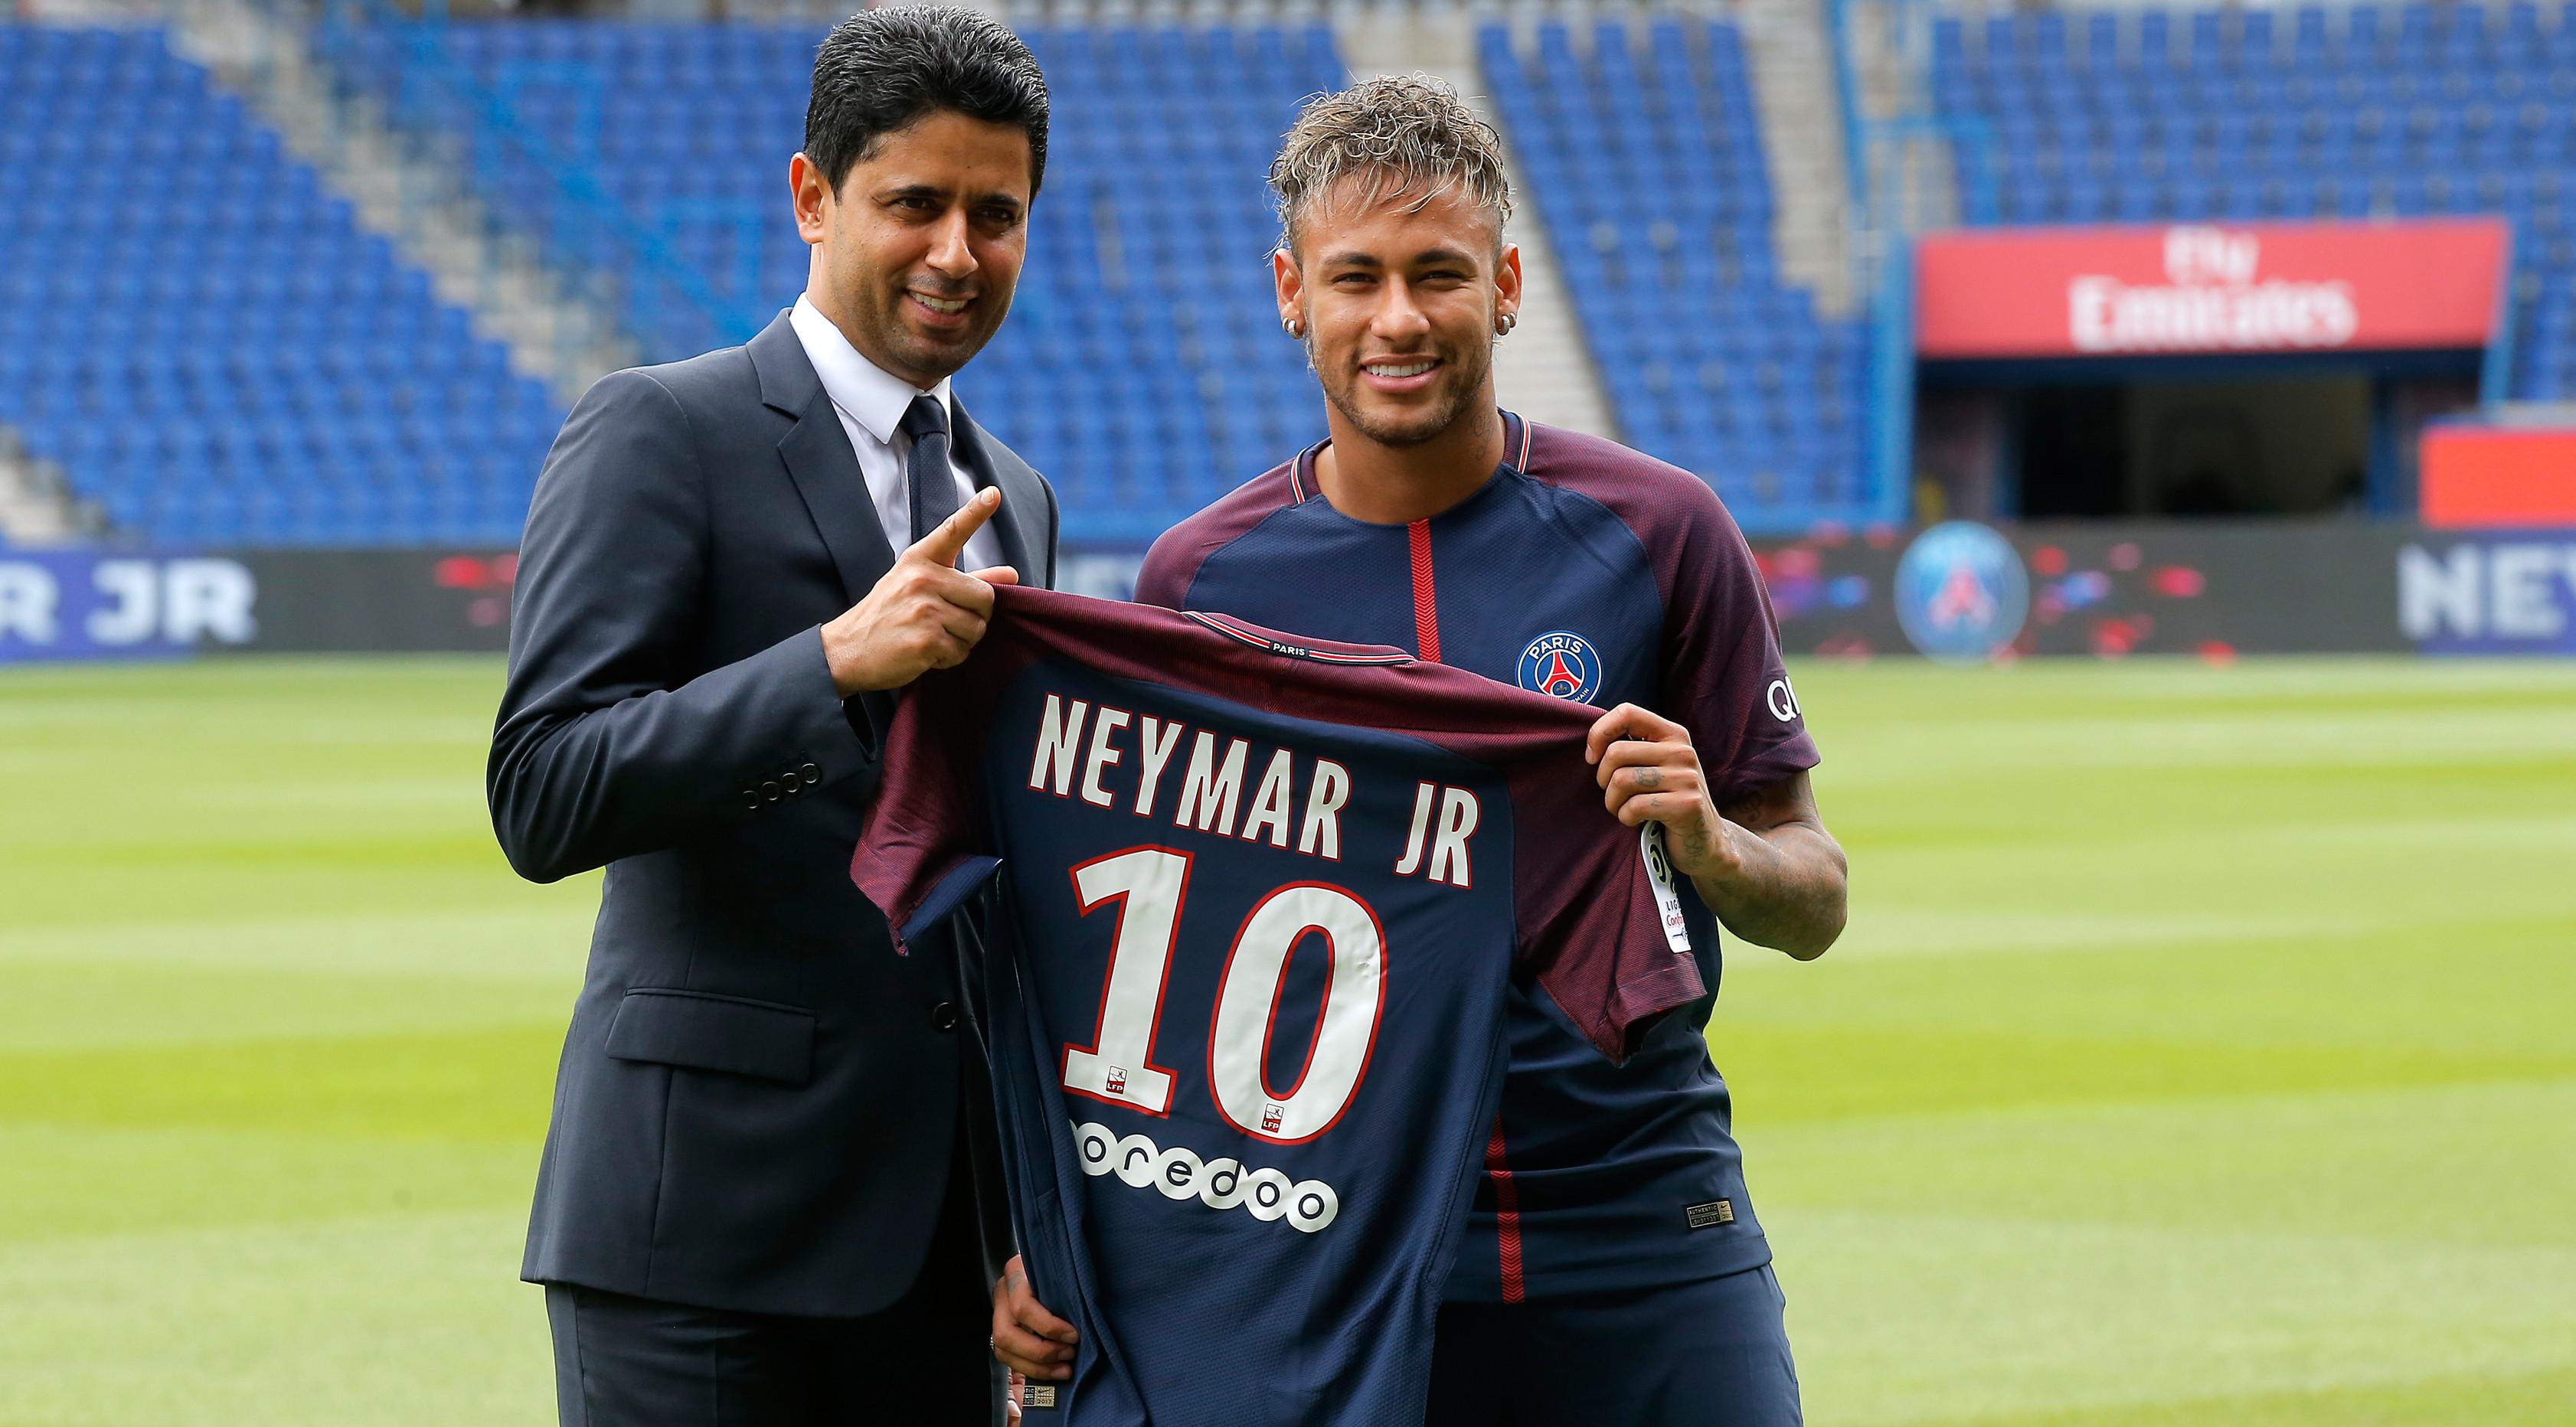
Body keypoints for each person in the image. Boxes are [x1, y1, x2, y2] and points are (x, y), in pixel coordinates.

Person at [992, 76, 1847, 1424]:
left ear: (1506, 284)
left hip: (1641, 1219)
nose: (1400, 319)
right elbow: (1128, 975)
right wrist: (1053, 1231)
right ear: (1293, 292)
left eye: (1439, 274)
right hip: (1333, 1252)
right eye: (1358, 278)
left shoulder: (1662, 533)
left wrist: (1716, 845)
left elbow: (1817, 897)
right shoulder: (1197, 584)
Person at [488, 9, 1058, 1423]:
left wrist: (1033, 1210)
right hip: (705, 1237)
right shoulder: (658, 429)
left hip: (944, 1252)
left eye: (997, 215)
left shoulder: (1018, 495)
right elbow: (544, 789)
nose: (956, 253)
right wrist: (828, 666)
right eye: (913, 204)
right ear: (813, 198)